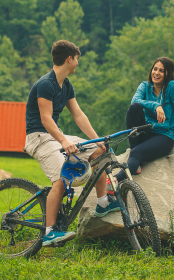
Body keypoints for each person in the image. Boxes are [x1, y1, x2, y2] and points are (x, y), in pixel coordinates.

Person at [24, 40, 120, 247]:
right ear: (69, 59)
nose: (77, 64)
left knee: (99, 151)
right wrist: (63, 140)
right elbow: (46, 119)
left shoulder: (66, 85)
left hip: (54, 135)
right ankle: (49, 232)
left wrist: (98, 140)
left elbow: (78, 115)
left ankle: (102, 202)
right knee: (60, 178)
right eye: (77, 60)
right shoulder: (45, 84)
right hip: (38, 137)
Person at [114, 57, 174, 183]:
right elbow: (134, 101)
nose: (156, 73)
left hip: (164, 136)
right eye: (155, 69)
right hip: (146, 131)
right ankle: (134, 152)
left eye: (161, 71)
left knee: (136, 154)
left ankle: (115, 180)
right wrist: (155, 105)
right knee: (135, 108)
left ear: (168, 73)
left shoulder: (173, 87)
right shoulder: (145, 86)